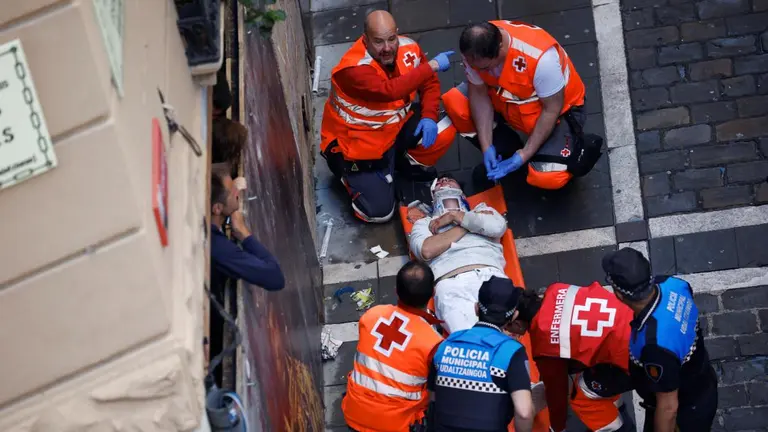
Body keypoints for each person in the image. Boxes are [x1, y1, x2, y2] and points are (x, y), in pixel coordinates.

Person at [320, 10, 458, 223]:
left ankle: (406, 164)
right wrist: (432, 65)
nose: (387, 48)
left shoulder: (408, 47)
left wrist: (429, 116)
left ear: (397, 34)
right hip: (358, 147)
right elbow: (389, 90)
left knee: (445, 124)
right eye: (378, 41)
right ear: (365, 40)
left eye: (391, 39)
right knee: (379, 213)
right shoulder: (353, 69)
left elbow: (428, 83)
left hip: (393, 130)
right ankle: (347, 176)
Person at [440, 21, 599, 190]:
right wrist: (487, 146)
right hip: (513, 106)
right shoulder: (476, 51)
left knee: (549, 176)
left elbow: (552, 109)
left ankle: (552, 151)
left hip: (560, 112)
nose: (480, 72)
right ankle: (505, 150)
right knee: (455, 102)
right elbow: (478, 93)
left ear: (500, 48)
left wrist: (524, 155)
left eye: (485, 68)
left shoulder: (541, 59)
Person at [602, 248, 718, 432]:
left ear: (619, 295)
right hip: (703, 381)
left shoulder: (654, 346)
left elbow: (668, 408)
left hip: (685, 411)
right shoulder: (674, 283)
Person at [507, 282, 636, 432]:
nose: (508, 332)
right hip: (636, 323)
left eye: (507, 327)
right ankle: (615, 412)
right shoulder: (557, 289)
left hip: (633, 357)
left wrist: (557, 428)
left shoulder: (545, 342)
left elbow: (557, 396)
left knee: (583, 396)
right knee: (598, 378)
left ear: (516, 323)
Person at [342, 261, 444, 432]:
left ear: (396, 291)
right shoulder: (433, 343)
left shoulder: (371, 316)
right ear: (432, 293)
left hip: (354, 414)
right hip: (395, 425)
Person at [429, 276, 534, 432]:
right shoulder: (512, 351)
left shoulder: (445, 345)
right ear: (514, 316)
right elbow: (524, 413)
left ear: (477, 308)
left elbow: (432, 399)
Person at [408, 175, 508, 334]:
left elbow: (497, 227)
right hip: (451, 284)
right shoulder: (424, 223)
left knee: (501, 336)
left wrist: (454, 216)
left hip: (491, 276)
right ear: (433, 196)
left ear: (462, 193)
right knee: (469, 342)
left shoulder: (483, 210)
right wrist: (466, 226)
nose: (443, 181)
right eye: (439, 182)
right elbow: (426, 251)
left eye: (449, 179)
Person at [210, 165, 285, 291]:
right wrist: (243, 232)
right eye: (232, 191)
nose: (236, 192)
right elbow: (275, 278)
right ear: (217, 208)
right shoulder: (218, 246)